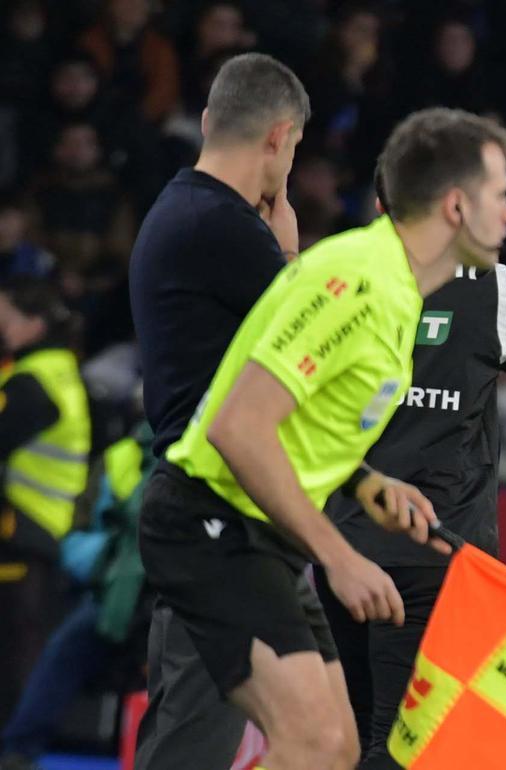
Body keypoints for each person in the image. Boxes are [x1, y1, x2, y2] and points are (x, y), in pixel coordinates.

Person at [136, 106, 506, 770]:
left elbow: (299, 421)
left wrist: (368, 481)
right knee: (309, 744)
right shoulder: (360, 284)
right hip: (212, 526)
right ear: (457, 206)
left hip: (260, 538)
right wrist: (339, 557)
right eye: (502, 195)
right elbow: (238, 425)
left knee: (335, 750)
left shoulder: (397, 291)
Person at [316, 256, 506, 760]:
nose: (505, 212)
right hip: (432, 550)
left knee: (346, 734)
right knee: (401, 739)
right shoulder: (490, 285)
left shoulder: (344, 268)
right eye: (496, 196)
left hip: (341, 542)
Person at [127, 51, 310, 770]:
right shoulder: (222, 228)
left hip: (209, 513)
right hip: (217, 515)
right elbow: (318, 349)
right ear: (278, 137)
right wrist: (289, 254)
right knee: (195, 741)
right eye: (291, 150)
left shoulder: (184, 209)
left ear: (209, 121)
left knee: (209, 724)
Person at [0, 422, 154, 770]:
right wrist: (110, 566)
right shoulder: (120, 457)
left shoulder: (188, 451)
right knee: (64, 652)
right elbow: (79, 534)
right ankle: (18, 753)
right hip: (113, 590)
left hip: (168, 591)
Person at [0, 279, 90, 726]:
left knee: (18, 646)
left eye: (7, 319)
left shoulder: (32, 383)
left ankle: (15, 746)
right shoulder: (60, 369)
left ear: (33, 325)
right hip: (48, 524)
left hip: (25, 526)